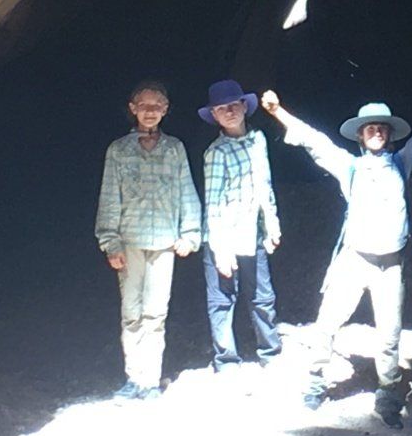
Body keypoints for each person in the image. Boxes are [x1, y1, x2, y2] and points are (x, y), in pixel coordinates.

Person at [260, 67, 412, 426]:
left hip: (390, 263)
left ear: (388, 135)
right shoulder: (350, 167)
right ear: (361, 135)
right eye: (370, 127)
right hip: (354, 259)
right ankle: (315, 381)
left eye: (382, 127)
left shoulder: (402, 162)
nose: (376, 132)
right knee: (327, 322)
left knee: (389, 331)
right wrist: (278, 112)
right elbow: (314, 141)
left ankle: (388, 392)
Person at [93, 80, 202, 399]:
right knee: (132, 312)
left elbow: (186, 192)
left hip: (165, 241)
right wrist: (109, 241)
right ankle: (133, 378)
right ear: (133, 109)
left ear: (166, 110)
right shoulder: (118, 150)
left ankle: (150, 380)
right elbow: (110, 196)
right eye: (144, 105)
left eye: (157, 106)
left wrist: (191, 234)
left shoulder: (174, 148)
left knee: (156, 313)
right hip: (130, 240)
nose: (150, 111)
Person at [198, 78, 283, 371]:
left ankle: (270, 352)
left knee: (263, 296)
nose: (229, 112)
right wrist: (221, 251)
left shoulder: (258, 140)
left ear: (245, 107)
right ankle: (226, 360)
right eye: (221, 109)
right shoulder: (216, 153)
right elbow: (213, 204)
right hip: (223, 239)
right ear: (214, 116)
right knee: (222, 300)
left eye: (234, 105)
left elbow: (265, 187)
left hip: (252, 233)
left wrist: (272, 226)